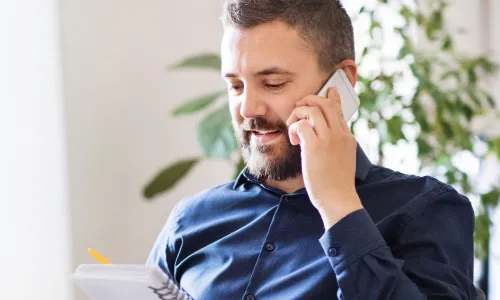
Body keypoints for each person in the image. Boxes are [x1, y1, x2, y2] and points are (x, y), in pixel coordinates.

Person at [147, 0, 478, 299]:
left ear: (341, 83)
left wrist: (338, 204)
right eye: (235, 85)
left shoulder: (426, 210)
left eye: (274, 83)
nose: (247, 108)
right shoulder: (191, 220)